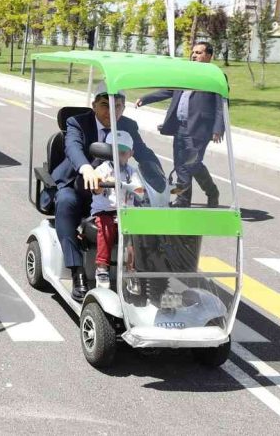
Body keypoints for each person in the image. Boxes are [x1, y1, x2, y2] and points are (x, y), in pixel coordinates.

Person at [51, 82, 159, 301]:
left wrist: (160, 175)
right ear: (93, 105)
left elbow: (143, 152)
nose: (112, 111)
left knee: (149, 210)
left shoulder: (128, 125)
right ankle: (77, 271)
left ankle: (143, 272)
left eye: (118, 106)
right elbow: (72, 147)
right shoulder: (77, 122)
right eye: (104, 105)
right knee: (65, 201)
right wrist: (86, 168)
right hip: (80, 185)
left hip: (117, 193)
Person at [135, 41, 224, 207]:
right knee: (181, 164)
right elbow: (169, 90)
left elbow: (221, 105)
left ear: (209, 56)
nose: (194, 55)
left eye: (199, 52)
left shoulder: (215, 76)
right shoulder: (186, 73)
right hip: (180, 126)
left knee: (190, 164)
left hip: (199, 128)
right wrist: (146, 98)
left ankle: (205, 194)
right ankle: (190, 198)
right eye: (193, 52)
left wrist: (218, 128)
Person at [89, 131, 145, 289]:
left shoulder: (132, 172)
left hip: (126, 214)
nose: (118, 156)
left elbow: (140, 190)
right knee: (106, 227)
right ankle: (102, 268)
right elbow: (96, 188)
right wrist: (102, 182)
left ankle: (131, 270)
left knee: (135, 233)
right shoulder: (103, 169)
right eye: (114, 152)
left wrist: (133, 187)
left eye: (123, 153)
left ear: (130, 154)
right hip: (105, 212)